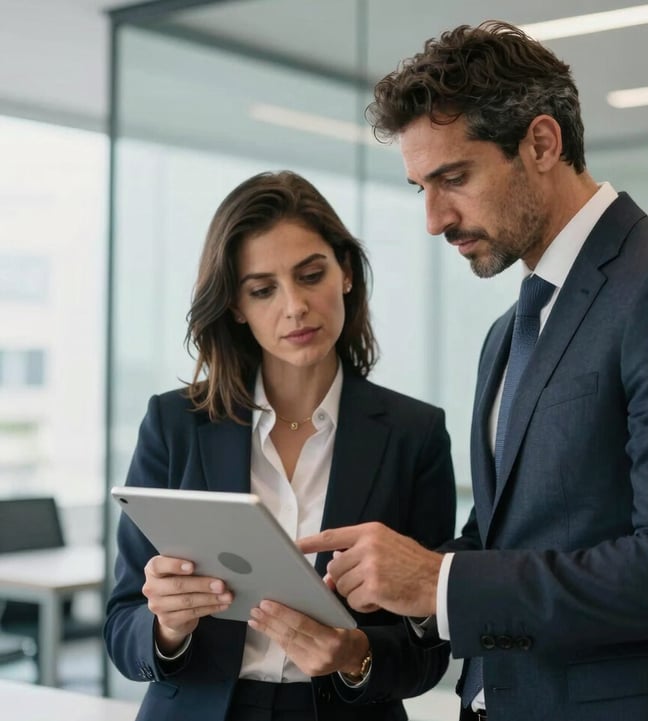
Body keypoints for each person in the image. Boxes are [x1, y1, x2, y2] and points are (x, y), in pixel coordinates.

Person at [298, 21, 648, 721]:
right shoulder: (507, 331)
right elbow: (510, 537)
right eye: (420, 186)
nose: (433, 219)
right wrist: (375, 588)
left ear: (542, 143)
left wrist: (442, 580)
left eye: (453, 178)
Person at [104, 170, 457, 721]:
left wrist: (355, 655)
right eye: (262, 289)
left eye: (310, 274)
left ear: (344, 273)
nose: (294, 306)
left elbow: (430, 645)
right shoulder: (175, 424)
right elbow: (122, 623)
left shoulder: (415, 434)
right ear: (237, 307)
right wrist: (168, 627)